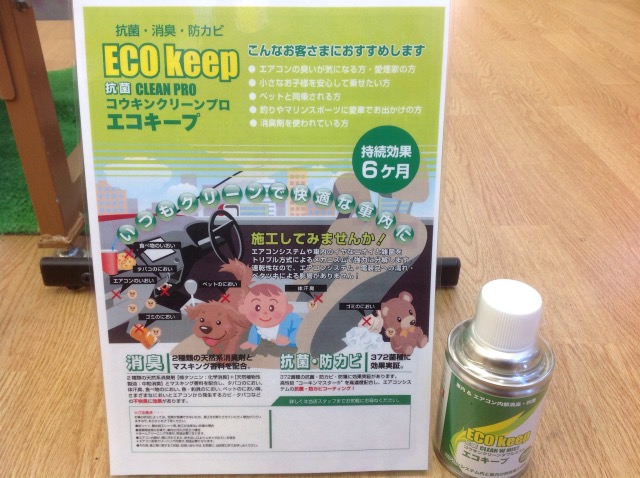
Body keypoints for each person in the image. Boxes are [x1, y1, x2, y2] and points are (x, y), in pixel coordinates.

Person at [238, 283, 302, 356]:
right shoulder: (258, 322)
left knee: (292, 340)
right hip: (273, 333)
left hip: (292, 325)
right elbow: (255, 330)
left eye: (271, 308)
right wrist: (252, 342)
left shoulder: (286, 322)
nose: (265, 312)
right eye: (257, 308)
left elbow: (283, 340)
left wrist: (283, 341)